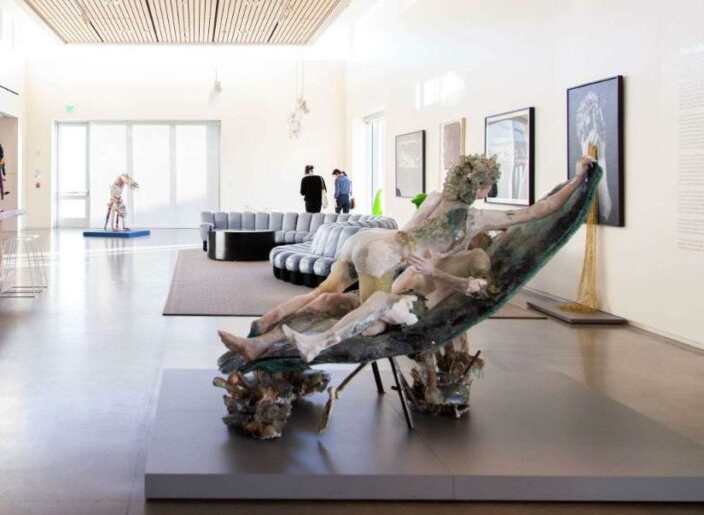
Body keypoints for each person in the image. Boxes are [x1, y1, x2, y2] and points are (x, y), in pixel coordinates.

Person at [221, 153, 596, 362]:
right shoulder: (471, 219)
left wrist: (578, 179)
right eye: (487, 185)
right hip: (387, 262)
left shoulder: (436, 199)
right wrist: (578, 181)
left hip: (375, 243)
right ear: (479, 187)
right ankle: (304, 341)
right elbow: (540, 210)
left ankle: (265, 334)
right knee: (364, 316)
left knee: (330, 296)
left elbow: (476, 285)